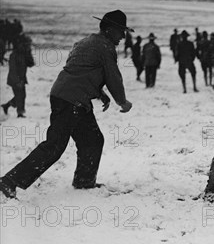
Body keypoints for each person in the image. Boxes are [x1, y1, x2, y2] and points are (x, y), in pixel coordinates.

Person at [0, 10, 134, 199]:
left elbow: (82, 71)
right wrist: (122, 101)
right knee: (54, 146)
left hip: (69, 97)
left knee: (92, 140)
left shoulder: (86, 42)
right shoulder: (105, 47)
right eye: (121, 31)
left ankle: (84, 181)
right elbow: (113, 77)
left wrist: (99, 93)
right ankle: (9, 182)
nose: (123, 36)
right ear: (110, 30)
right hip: (71, 101)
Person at [1, 34, 35, 118]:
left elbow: (31, 64)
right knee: (20, 96)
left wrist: (29, 54)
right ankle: (20, 113)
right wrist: (17, 81)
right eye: (26, 45)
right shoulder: (14, 55)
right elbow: (13, 70)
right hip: (14, 79)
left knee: (21, 96)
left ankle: (7, 106)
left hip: (21, 78)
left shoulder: (24, 54)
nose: (28, 46)